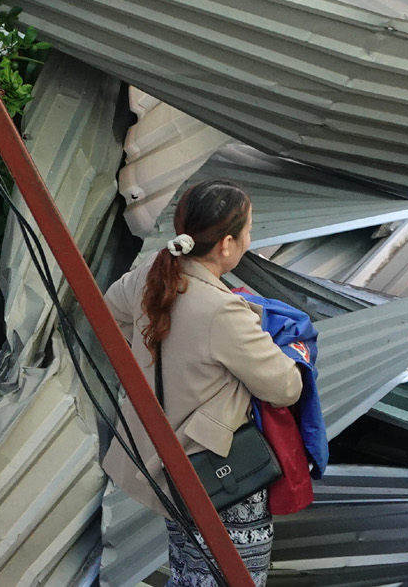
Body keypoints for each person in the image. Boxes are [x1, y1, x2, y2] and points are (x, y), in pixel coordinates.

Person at [104, 181, 304, 587]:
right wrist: (298, 355)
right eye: (248, 230)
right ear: (227, 244)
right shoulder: (223, 310)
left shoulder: (153, 275)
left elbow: (111, 309)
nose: (251, 238)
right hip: (221, 472)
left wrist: (159, 360)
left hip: (170, 465)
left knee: (189, 573)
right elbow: (285, 388)